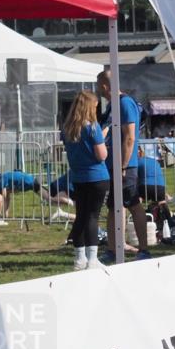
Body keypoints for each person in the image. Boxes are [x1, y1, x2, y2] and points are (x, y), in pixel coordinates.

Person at [96, 70, 150, 262]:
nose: (98, 90)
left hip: (125, 166)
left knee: (133, 204)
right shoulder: (113, 105)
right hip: (113, 165)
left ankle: (144, 249)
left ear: (104, 86)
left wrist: (123, 165)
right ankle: (112, 248)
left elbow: (129, 137)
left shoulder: (125, 103)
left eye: (98, 85)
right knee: (113, 207)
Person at [61, 91, 110, 270]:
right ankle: (92, 259)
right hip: (97, 176)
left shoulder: (67, 129)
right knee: (92, 217)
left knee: (80, 216)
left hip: (78, 177)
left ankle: (79, 258)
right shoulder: (93, 127)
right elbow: (101, 155)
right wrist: (104, 141)